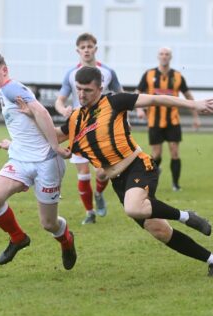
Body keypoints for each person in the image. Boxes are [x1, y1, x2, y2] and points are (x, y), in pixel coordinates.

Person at [57, 66, 213, 276]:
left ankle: (186, 216)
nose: (82, 94)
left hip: (138, 166)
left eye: (88, 90)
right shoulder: (76, 119)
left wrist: (193, 104)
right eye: (79, 89)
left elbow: (156, 100)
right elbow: (54, 136)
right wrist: (20, 140)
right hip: (118, 182)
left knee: (133, 207)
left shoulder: (114, 101)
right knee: (160, 231)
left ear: (100, 88)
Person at [0, 53, 76, 270]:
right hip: (21, 159)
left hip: (46, 162)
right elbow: (27, 124)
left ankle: (66, 239)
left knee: (49, 224)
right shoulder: (5, 92)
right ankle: (18, 237)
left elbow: (41, 112)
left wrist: (55, 146)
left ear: (4, 70)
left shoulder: (10, 88)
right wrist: (12, 145)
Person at [55, 32, 123, 225]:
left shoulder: (108, 72)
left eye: (89, 46)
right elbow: (60, 100)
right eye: (83, 47)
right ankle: (90, 212)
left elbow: (120, 94)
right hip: (78, 127)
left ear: (95, 49)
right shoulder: (71, 74)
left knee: (103, 172)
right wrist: (63, 110)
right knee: (83, 173)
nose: (86, 50)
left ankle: (99, 193)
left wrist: (124, 117)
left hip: (102, 127)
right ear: (78, 50)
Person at [136, 47, 201, 191]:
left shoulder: (177, 76)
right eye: (161, 54)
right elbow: (137, 93)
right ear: (158, 56)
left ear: (170, 57)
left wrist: (196, 117)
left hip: (173, 121)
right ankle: (152, 178)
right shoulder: (149, 74)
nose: (164, 56)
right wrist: (139, 109)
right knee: (156, 154)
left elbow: (188, 96)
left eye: (167, 54)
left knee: (175, 152)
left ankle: (176, 185)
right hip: (154, 120)